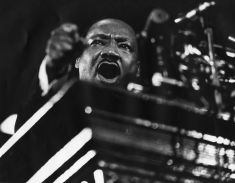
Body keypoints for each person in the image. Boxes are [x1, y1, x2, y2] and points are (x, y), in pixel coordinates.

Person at [0, 18, 139, 134]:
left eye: (124, 46)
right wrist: (53, 69)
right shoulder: (20, 123)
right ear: (78, 60)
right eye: (97, 43)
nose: (110, 51)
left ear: (137, 68)